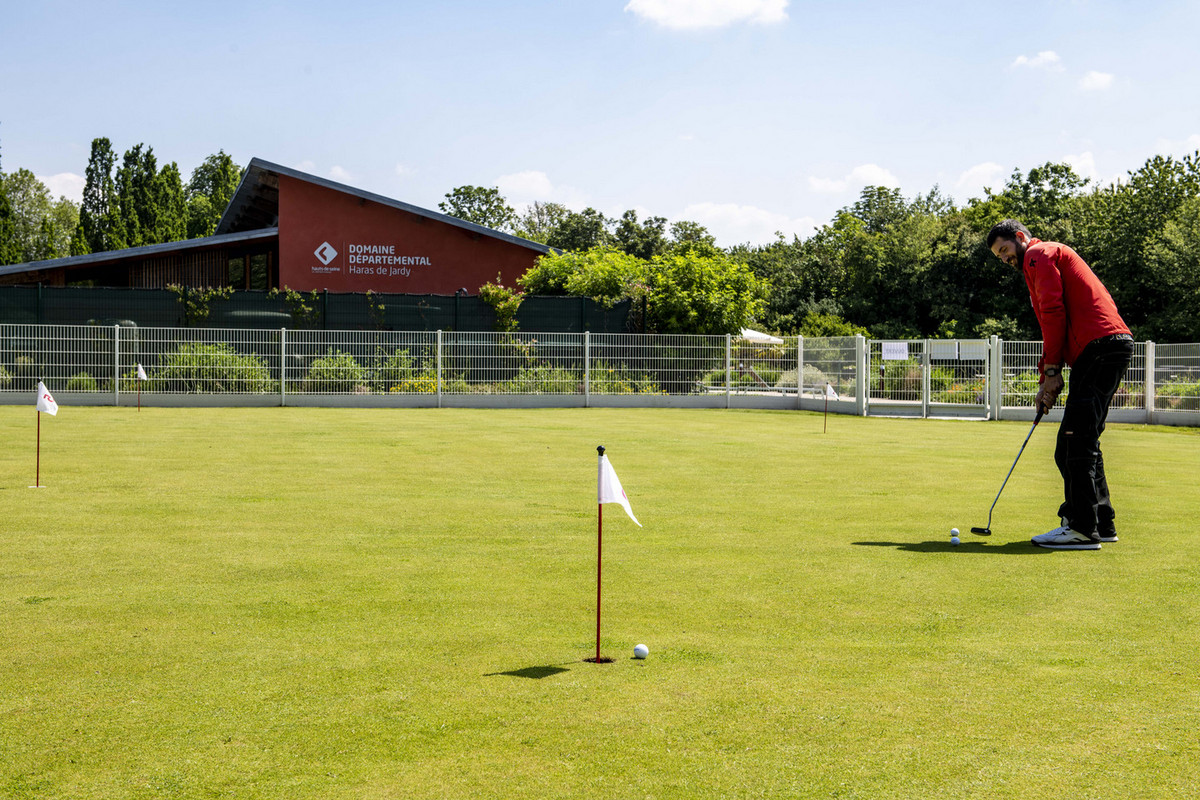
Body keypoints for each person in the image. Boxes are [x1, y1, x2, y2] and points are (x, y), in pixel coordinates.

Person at [986, 220, 1134, 550]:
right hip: (1106, 347)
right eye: (1000, 256)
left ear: (1020, 238)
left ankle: (1081, 528)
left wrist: (1052, 372)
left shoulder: (1037, 254)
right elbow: (1053, 323)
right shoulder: (1039, 259)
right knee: (1080, 441)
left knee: (1073, 443)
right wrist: (1046, 379)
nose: (1006, 259)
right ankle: (1101, 523)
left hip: (1099, 347)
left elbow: (1053, 312)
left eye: (1006, 251)